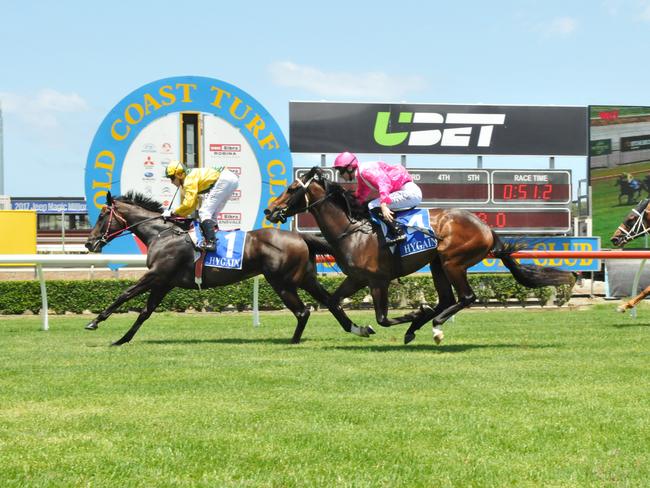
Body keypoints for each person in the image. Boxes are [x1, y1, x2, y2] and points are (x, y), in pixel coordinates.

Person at [333, 151, 422, 245]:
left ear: (350, 168)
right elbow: (361, 194)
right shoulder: (361, 175)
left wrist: (383, 204)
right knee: (370, 205)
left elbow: (384, 183)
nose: (340, 175)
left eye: (341, 171)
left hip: (409, 192)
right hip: (404, 191)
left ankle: (398, 232)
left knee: (373, 205)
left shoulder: (365, 171)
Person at [163, 161, 239, 252]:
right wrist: (177, 214)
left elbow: (188, 204)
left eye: (172, 178)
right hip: (232, 179)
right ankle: (215, 239)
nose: (171, 182)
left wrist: (172, 212)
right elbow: (192, 206)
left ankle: (212, 243)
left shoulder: (188, 180)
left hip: (224, 179)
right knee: (212, 215)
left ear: (179, 174)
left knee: (204, 212)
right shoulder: (189, 177)